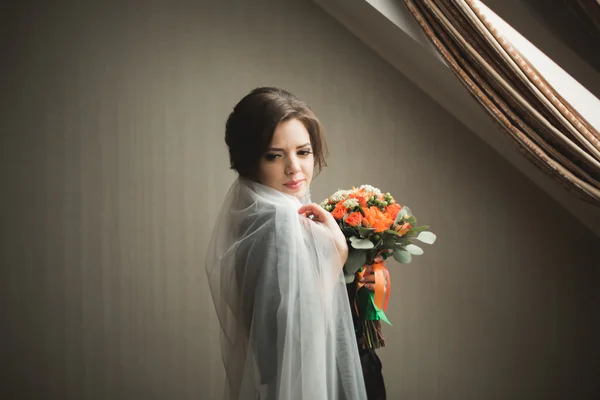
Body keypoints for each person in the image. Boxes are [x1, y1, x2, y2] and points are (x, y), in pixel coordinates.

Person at [206, 87, 367, 400]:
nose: (294, 168)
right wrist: (338, 257)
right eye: (274, 156)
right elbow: (292, 343)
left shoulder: (268, 213)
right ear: (249, 161)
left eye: (303, 152)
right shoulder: (279, 221)